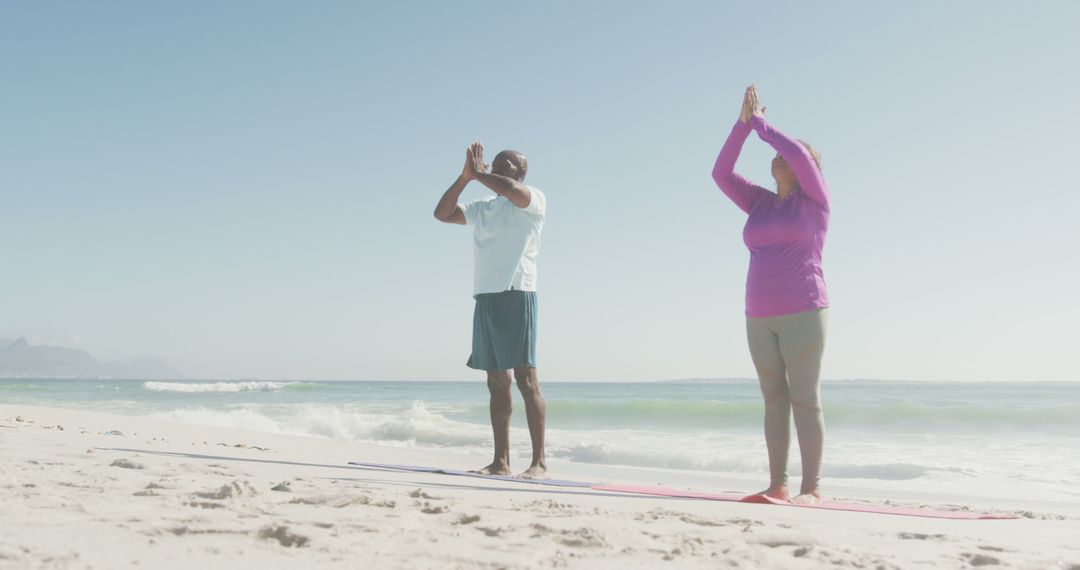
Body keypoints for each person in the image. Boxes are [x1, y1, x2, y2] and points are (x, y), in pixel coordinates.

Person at [712, 85, 830, 504]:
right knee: (773, 399)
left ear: (809, 167)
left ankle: (811, 488)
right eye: (776, 152)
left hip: (803, 309)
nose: (779, 156)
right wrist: (742, 127)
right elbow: (721, 174)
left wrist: (763, 124)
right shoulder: (759, 203)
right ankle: (777, 484)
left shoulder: (815, 202)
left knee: (804, 397)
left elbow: (795, 152)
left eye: (793, 154)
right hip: (758, 313)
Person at [432, 142, 549, 479]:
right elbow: (442, 213)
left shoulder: (532, 200)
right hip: (486, 296)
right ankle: (501, 461)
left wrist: (481, 174)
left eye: (506, 165)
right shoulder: (484, 206)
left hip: (517, 291)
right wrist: (465, 178)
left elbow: (510, 189)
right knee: (497, 381)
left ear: (522, 173)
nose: (497, 167)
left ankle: (539, 463)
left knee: (527, 380)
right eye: (494, 163)